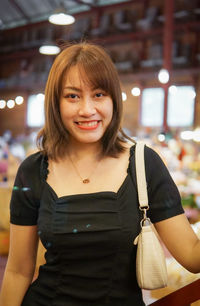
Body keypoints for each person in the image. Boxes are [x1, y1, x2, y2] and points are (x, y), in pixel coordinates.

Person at [0, 42, 199, 306]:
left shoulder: (143, 163)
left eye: (98, 94)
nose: (86, 109)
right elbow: (17, 271)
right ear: (55, 103)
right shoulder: (33, 170)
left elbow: (192, 257)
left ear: (113, 99)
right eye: (72, 96)